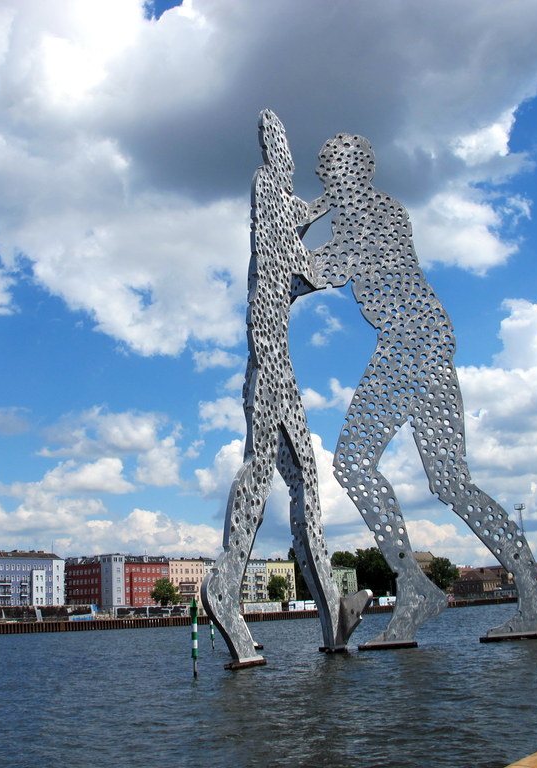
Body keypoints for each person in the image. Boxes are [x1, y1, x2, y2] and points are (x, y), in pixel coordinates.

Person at [305, 133, 537, 643]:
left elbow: (325, 269)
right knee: (451, 482)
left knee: (354, 464)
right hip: (426, 340)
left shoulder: (371, 213)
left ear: (354, 170)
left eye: (329, 168)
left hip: (409, 344)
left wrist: (288, 229)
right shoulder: (367, 212)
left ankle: (415, 587)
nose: (323, 177)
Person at [201, 112, 370, 668]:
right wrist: (350, 248)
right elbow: (308, 271)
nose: (292, 163)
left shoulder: (275, 205)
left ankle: (318, 613)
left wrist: (327, 204)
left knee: (287, 482)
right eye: (286, 154)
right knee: (286, 482)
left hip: (271, 367)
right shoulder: (271, 196)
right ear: (275, 156)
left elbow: (302, 221)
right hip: (273, 368)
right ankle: (232, 589)